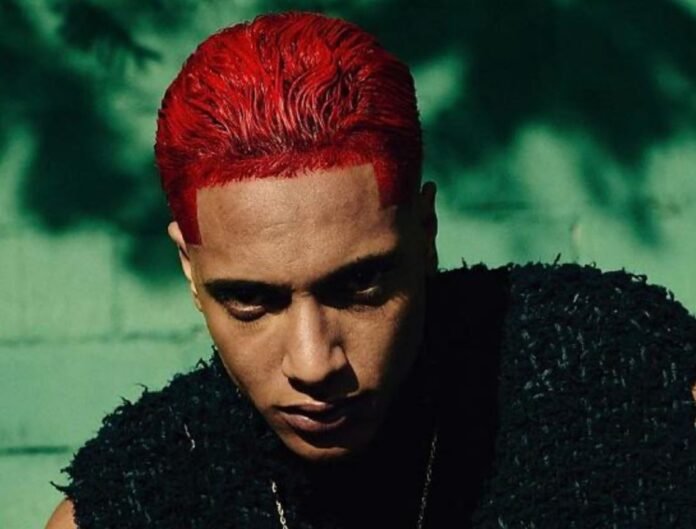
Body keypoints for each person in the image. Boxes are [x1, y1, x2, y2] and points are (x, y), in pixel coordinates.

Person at [46, 11, 696, 529]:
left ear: (425, 233)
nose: (314, 363)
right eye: (251, 300)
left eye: (360, 284)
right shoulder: (131, 501)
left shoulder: (626, 378)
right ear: (190, 270)